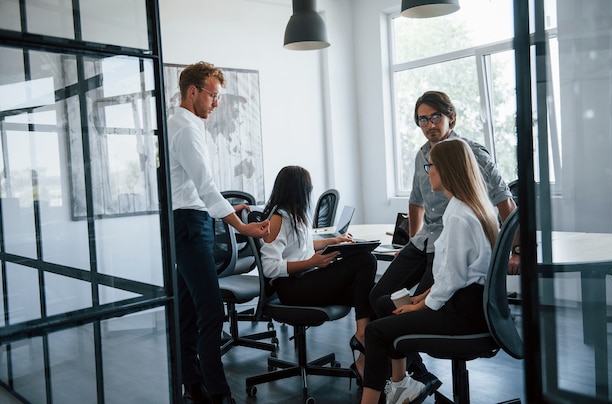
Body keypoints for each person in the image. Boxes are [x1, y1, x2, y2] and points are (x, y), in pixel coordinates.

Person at [368, 90, 517, 391]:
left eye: (435, 117)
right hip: (425, 239)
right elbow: (415, 202)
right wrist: (407, 245)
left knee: (406, 309)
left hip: (449, 247)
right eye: (422, 119)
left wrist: (515, 250)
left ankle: (405, 371)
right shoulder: (422, 154)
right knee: (380, 297)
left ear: (450, 116)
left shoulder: (469, 153)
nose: (429, 124)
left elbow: (505, 203)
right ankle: (413, 371)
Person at [360, 138, 500, 404]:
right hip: (473, 305)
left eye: (431, 166)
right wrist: (422, 297)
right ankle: (402, 386)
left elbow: (454, 278)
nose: (429, 172)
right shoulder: (473, 207)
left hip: (461, 314)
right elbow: (455, 276)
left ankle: (383, 395)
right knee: (384, 303)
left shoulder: (459, 216)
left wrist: (422, 306)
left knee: (375, 331)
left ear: (446, 169)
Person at [168, 61, 270, 404]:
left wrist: (230, 208)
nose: (217, 102)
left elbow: (196, 186)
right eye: (213, 95)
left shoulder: (184, 123)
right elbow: (205, 185)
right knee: (211, 309)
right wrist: (240, 225)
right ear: (193, 91)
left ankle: (192, 384)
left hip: (188, 220)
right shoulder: (185, 126)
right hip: (189, 224)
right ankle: (216, 391)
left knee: (188, 309)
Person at [260, 166, 377, 386]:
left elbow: (302, 247)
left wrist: (334, 241)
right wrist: (313, 262)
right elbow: (269, 267)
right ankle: (361, 336)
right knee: (365, 260)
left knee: (374, 296)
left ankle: (363, 359)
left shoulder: (295, 215)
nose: (311, 192)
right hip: (292, 290)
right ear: (297, 190)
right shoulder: (277, 219)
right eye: (308, 188)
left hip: (306, 281)